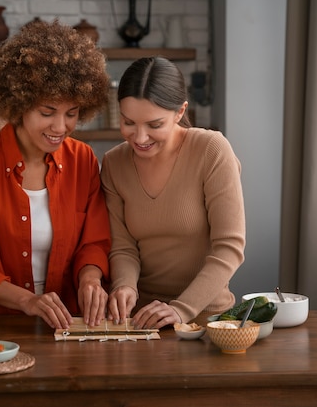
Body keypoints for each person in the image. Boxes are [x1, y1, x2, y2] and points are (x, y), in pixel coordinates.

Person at [0, 19, 111, 329]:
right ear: (19, 104)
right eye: (47, 112)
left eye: (71, 113)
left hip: (64, 328)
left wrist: (91, 278)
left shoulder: (82, 160)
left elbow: (94, 243)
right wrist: (29, 301)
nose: (60, 127)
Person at [101, 56, 246, 330]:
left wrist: (181, 310)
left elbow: (229, 248)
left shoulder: (211, 150)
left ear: (180, 112)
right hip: (142, 321)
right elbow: (123, 247)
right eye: (128, 122)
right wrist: (124, 288)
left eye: (154, 125)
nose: (140, 138)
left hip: (206, 319)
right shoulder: (113, 163)